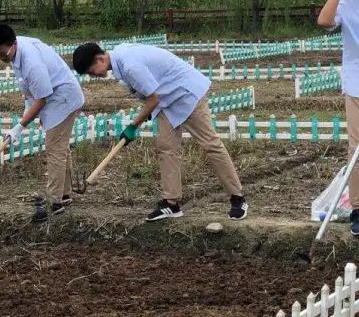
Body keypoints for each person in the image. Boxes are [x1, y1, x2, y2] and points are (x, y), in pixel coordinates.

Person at [72, 41, 248, 222]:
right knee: (167, 148)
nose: (93, 76)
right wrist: (145, 115)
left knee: (211, 145)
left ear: (99, 59)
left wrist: (133, 126)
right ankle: (171, 204)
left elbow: (153, 99)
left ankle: (238, 198)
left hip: (186, 93)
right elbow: (150, 93)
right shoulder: (120, 62)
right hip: (167, 100)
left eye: (91, 71)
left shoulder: (130, 65)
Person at [0, 23, 84, 222]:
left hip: (63, 99)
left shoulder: (31, 62)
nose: (3, 59)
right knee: (60, 148)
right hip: (54, 97)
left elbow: (41, 99)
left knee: (54, 148)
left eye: (4, 55)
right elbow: (29, 94)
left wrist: (19, 127)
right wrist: (24, 116)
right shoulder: (16, 51)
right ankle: (63, 195)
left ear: (13, 44)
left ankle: (53, 201)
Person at [315, 0, 359, 237]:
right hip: (358, 85)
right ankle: (358, 208)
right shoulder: (348, 4)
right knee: (357, 149)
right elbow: (324, 20)